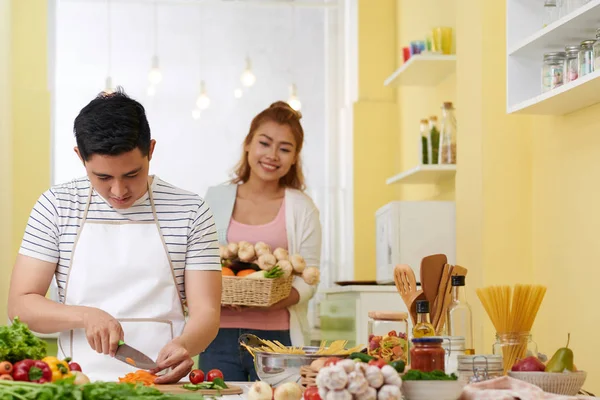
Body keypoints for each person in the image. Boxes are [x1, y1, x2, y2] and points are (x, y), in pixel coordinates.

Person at [7, 89, 222, 383]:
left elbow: (206, 311)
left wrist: (185, 345)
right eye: (103, 177)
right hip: (76, 385)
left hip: (163, 385)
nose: (119, 191)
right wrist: (86, 316)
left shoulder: (191, 210)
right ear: (80, 157)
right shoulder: (56, 206)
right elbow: (21, 304)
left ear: (152, 150)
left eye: (132, 174)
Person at [202, 101, 322, 381]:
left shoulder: (302, 208)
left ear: (295, 157)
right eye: (264, 143)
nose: (272, 155)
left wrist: (270, 302)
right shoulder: (215, 199)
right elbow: (198, 264)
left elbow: (309, 279)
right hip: (216, 338)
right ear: (248, 143)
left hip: (278, 342)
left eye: (284, 148)